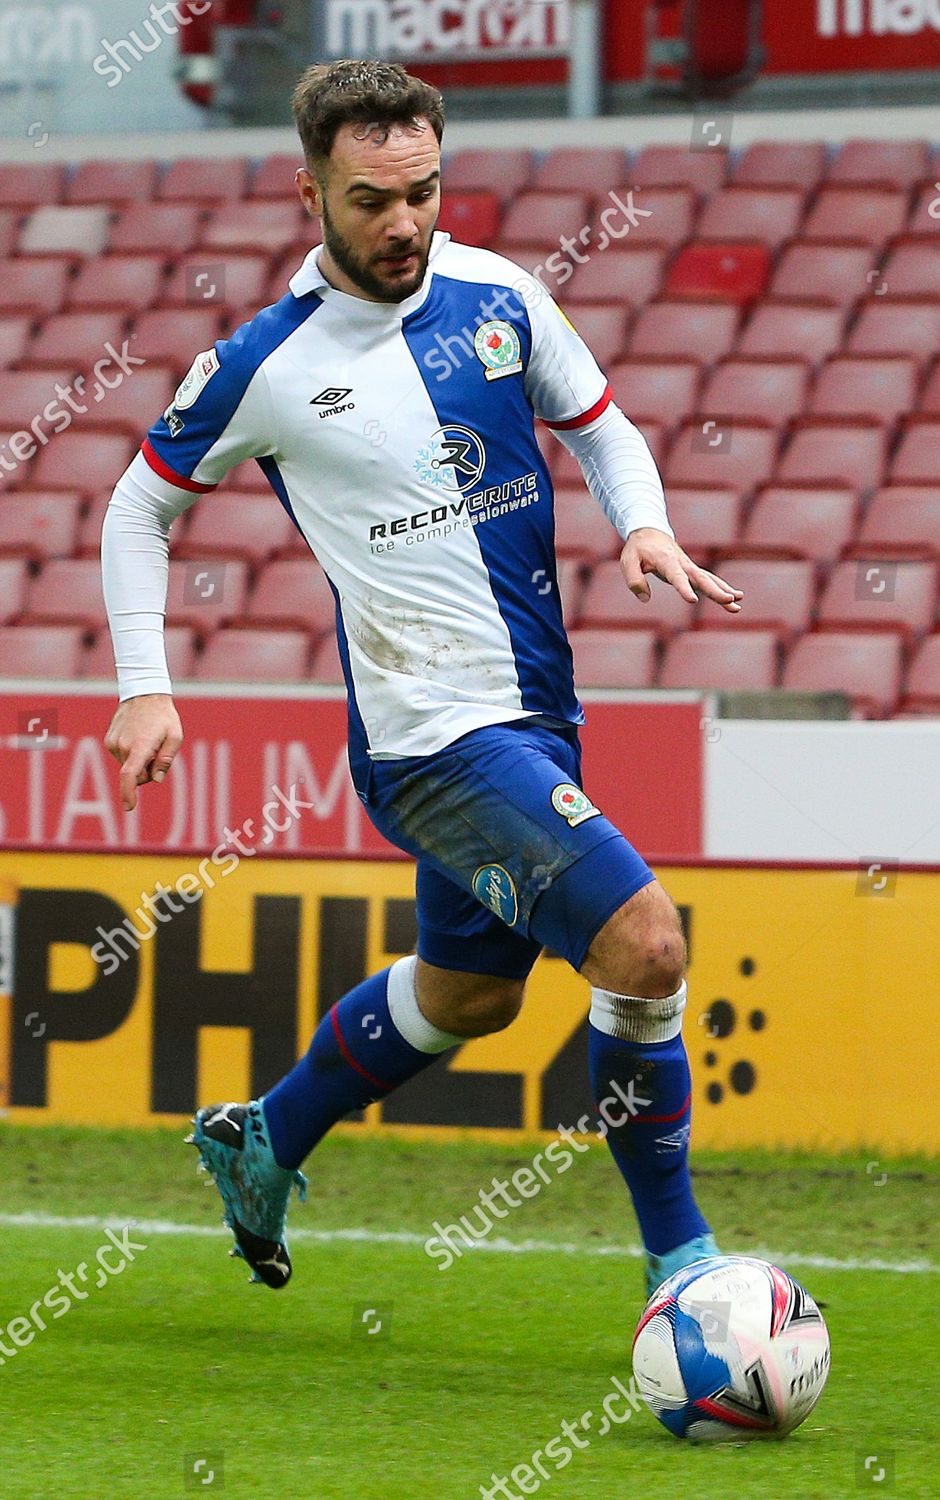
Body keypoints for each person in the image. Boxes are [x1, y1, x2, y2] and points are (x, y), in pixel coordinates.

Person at [101, 58, 744, 1293]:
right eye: (370, 201)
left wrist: (643, 522)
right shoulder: (266, 364)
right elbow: (138, 510)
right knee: (647, 948)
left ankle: (265, 1140)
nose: (402, 223)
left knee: (466, 996)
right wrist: (147, 683)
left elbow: (599, 423)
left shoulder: (497, 292)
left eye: (422, 192)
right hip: (431, 742)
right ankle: (684, 1268)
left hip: (537, 716)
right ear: (309, 193)